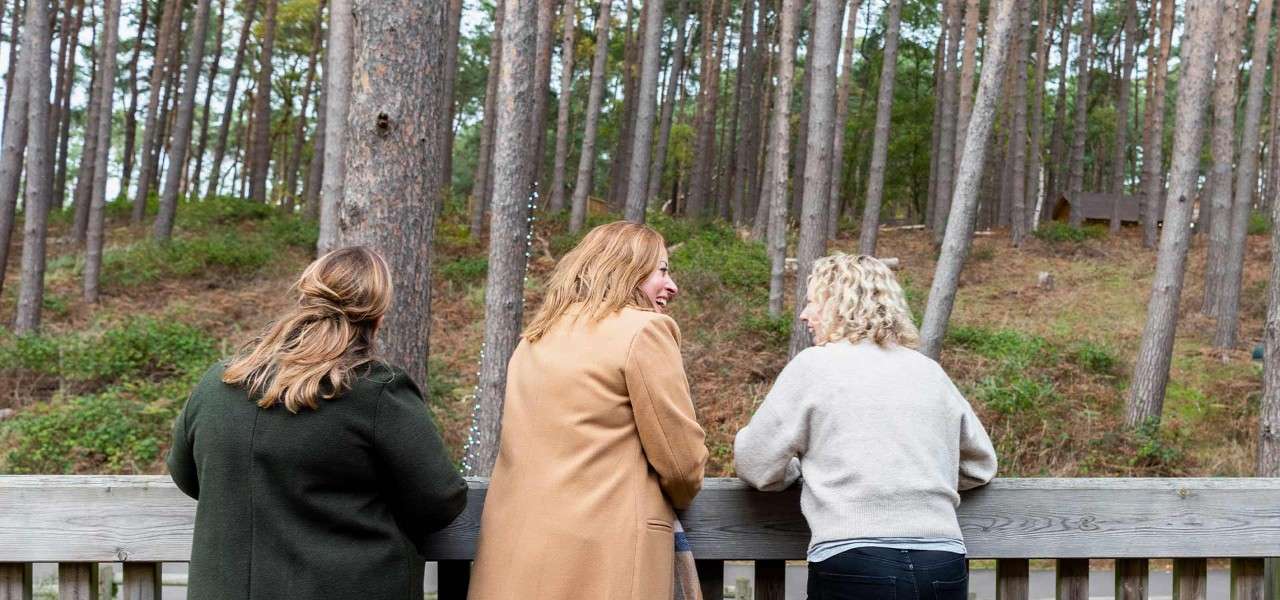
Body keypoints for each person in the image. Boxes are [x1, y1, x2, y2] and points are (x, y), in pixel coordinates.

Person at [167, 246, 467, 600]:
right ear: (378, 315)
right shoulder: (376, 392)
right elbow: (440, 500)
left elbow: (187, 475)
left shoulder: (219, 382)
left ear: (305, 299)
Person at [468, 221, 708, 600]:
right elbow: (682, 465)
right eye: (661, 270)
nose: (672, 285)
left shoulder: (535, 338)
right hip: (603, 561)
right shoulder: (644, 331)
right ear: (625, 268)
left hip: (514, 557)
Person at [734, 253, 997, 600]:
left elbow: (755, 462)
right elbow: (980, 466)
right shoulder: (928, 371)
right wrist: (920, 476)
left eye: (812, 301)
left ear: (836, 304)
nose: (805, 314)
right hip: (942, 561)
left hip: (855, 562)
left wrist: (802, 474)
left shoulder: (815, 367)